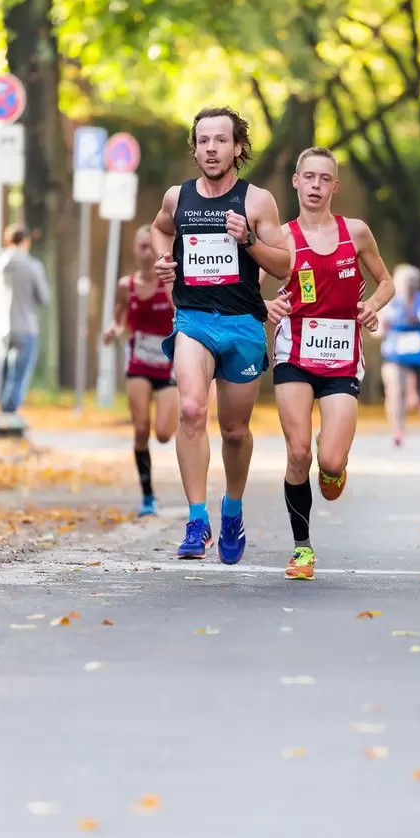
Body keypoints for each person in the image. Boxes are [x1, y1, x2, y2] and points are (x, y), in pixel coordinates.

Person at [151, 106, 291, 563]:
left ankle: (232, 508)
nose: (211, 148)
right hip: (193, 318)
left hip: (244, 324)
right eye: (203, 140)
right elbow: (159, 229)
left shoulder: (258, 201)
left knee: (234, 430)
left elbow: (286, 265)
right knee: (191, 410)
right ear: (194, 148)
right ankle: (196, 520)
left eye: (220, 140)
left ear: (237, 147)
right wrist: (163, 262)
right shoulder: (178, 197)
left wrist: (248, 239)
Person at [263, 146, 395, 581]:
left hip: (341, 358)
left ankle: (333, 466)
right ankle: (302, 549)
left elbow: (386, 282)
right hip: (294, 354)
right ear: (296, 182)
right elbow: (250, 290)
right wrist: (267, 307)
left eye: (325, 179)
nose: (316, 186)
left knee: (331, 462)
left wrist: (372, 306)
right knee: (298, 451)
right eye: (309, 177)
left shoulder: (354, 233)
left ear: (335, 186)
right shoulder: (280, 238)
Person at [103, 225, 178, 517]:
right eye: (142, 247)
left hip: (166, 362)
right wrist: (114, 329)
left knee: (162, 434)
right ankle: (148, 496)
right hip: (138, 362)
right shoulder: (126, 285)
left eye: (151, 246)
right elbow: (119, 318)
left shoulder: (170, 284)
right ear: (136, 250)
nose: (147, 253)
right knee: (141, 429)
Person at [378, 263, 420, 446]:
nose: (410, 284)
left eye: (413, 281)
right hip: (394, 354)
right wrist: (384, 327)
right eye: (406, 281)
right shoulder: (389, 302)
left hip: (419, 353)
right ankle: (397, 430)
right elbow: (377, 329)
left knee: (416, 386)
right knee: (395, 391)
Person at [0, 224, 50, 413]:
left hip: (1, 327)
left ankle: (1, 411)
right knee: (18, 376)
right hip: (26, 326)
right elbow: (44, 298)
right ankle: (9, 415)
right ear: (25, 241)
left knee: (3, 375)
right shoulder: (32, 266)